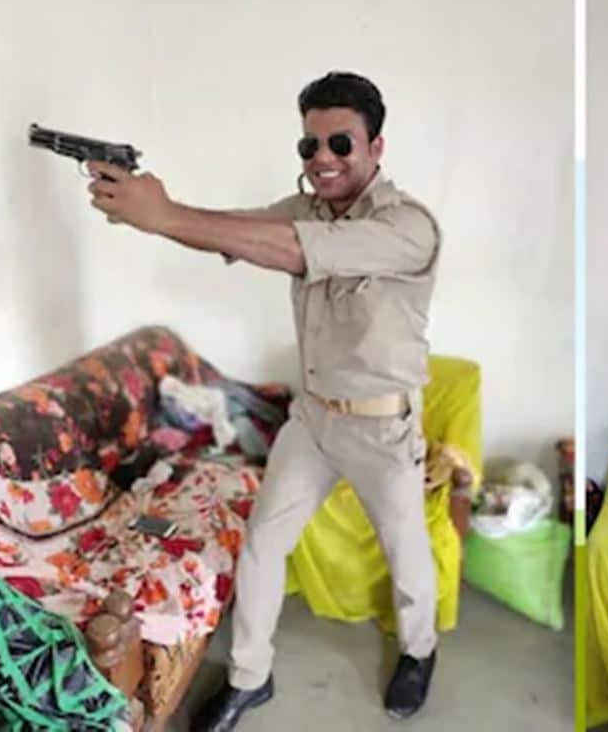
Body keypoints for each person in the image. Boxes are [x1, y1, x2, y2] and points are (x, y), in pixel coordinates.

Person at [84, 71, 442, 729]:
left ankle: (420, 652)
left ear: (377, 146)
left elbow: (294, 249)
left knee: (406, 554)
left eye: (340, 142)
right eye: (310, 145)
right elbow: (234, 230)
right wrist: (150, 210)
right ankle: (250, 677)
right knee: (262, 544)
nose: (323, 158)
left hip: (382, 427)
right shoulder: (305, 208)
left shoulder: (408, 227)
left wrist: (164, 215)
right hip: (312, 418)